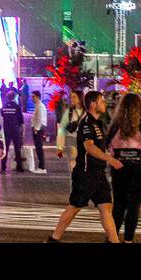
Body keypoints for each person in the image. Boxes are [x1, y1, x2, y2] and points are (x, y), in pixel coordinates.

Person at [48, 90, 121, 242]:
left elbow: (102, 145)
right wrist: (109, 159)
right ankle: (54, 239)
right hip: (86, 173)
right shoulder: (87, 123)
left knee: (106, 206)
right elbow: (89, 147)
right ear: (93, 104)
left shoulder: (99, 123)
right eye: (102, 101)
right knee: (75, 206)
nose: (104, 103)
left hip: (98, 173)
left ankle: (114, 241)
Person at [106, 92, 141, 242]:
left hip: (120, 165)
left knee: (119, 204)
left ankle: (112, 238)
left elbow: (107, 143)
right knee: (134, 206)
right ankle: (129, 239)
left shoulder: (116, 125)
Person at [0, 89, 26, 173]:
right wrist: (23, 131)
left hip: (6, 130)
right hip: (15, 130)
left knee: (5, 149)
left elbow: (1, 119)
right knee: (17, 149)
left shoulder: (3, 107)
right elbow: (21, 120)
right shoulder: (17, 107)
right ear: (14, 97)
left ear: (7, 97)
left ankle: (3, 168)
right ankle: (19, 167)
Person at [56, 90, 84, 167]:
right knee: (73, 164)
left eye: (74, 97)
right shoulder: (69, 112)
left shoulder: (87, 112)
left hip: (85, 141)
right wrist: (60, 146)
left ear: (80, 98)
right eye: (71, 97)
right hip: (71, 140)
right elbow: (62, 129)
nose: (72, 99)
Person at [30, 90, 49, 173]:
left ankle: (42, 167)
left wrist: (36, 128)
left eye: (33, 96)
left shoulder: (40, 106)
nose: (32, 98)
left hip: (39, 129)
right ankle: (41, 166)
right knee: (38, 148)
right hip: (38, 128)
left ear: (37, 97)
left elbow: (40, 119)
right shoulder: (38, 105)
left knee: (39, 148)